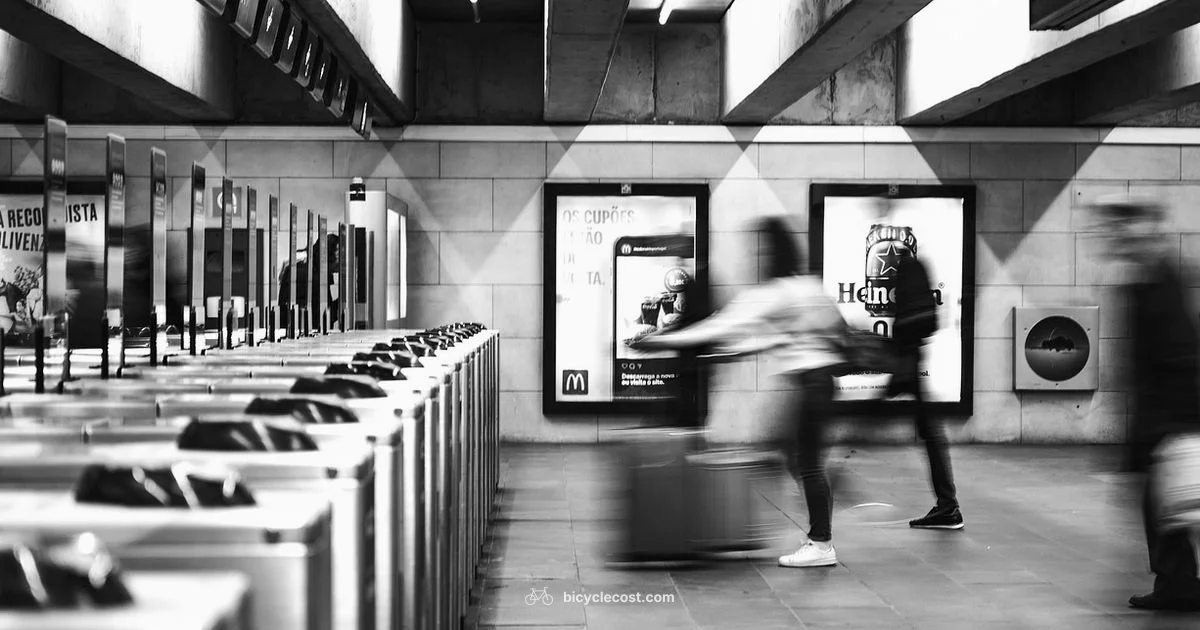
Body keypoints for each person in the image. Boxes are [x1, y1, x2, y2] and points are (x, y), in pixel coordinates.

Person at [633, 217, 847, 568]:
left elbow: (720, 325)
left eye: (759, 247)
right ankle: (822, 508)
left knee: (803, 462)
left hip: (810, 386)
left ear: (772, 251)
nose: (754, 255)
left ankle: (821, 542)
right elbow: (789, 335)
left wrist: (659, 340)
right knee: (793, 454)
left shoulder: (773, 293)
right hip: (821, 384)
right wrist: (731, 352)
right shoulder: (807, 287)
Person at [1093, 194, 1200, 611]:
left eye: (1123, 228)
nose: (1117, 237)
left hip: (1168, 418)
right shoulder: (1149, 277)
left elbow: (1178, 355)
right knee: (1162, 503)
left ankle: (1178, 584)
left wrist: (1170, 423)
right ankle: (1177, 581)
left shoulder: (1160, 280)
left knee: (1165, 501)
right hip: (1161, 416)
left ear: (1145, 229)